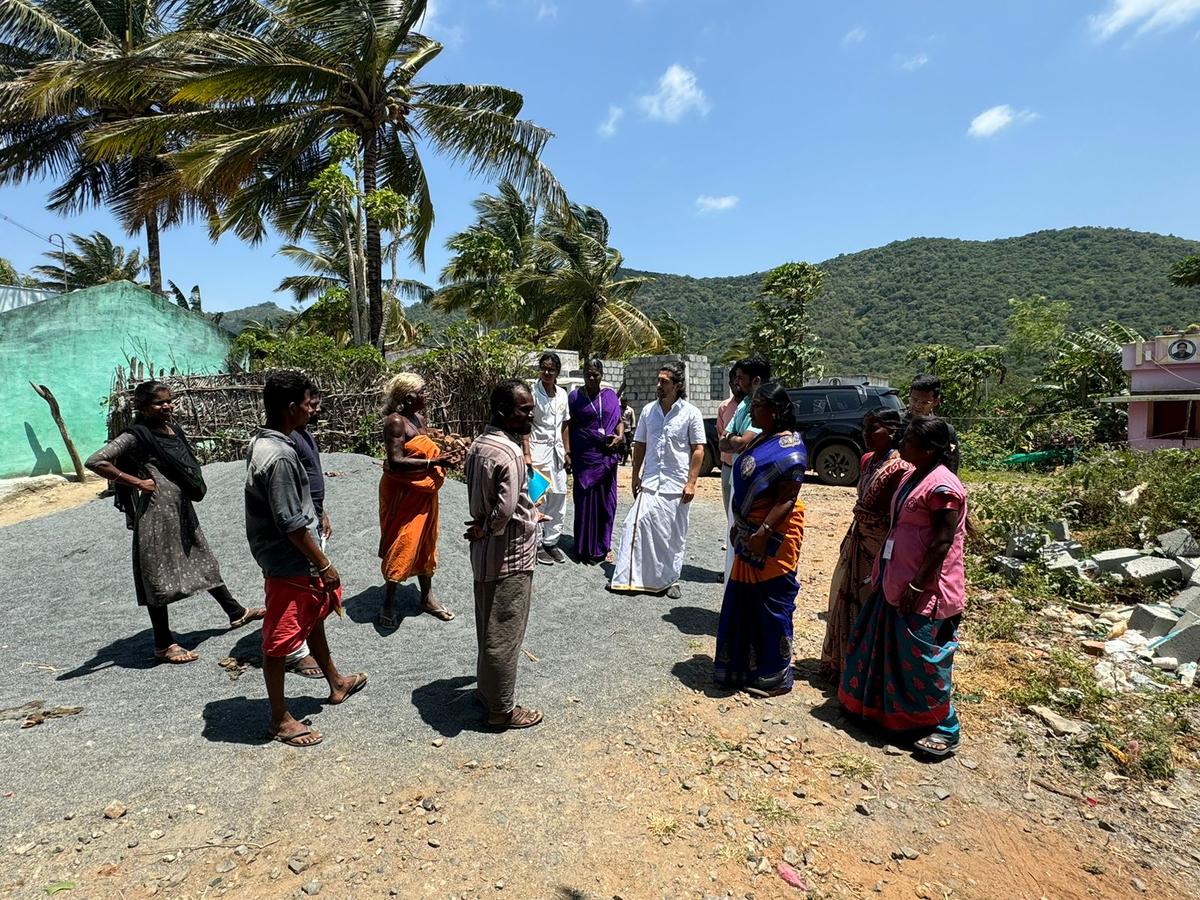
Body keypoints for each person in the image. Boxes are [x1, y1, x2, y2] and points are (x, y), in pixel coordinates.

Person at [86, 381, 263, 664]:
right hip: (157, 513)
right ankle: (163, 644)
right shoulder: (136, 436)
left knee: (201, 557)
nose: (167, 406)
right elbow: (96, 461)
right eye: (159, 403)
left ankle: (236, 612)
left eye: (170, 400)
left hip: (179, 508)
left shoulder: (170, 428)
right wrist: (138, 482)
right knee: (158, 573)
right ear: (143, 407)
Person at [245, 371, 367, 747]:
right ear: (290, 406)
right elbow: (291, 523)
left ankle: (335, 681)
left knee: (312, 617)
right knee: (280, 639)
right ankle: (280, 718)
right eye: (306, 403)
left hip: (292, 556)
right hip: (290, 559)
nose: (312, 410)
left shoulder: (267, 442)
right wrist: (324, 564)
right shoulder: (280, 456)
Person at [838, 416, 968, 758]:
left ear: (928, 449)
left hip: (925, 588)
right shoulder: (913, 475)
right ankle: (890, 717)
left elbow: (942, 542)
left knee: (922, 660)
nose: (902, 446)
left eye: (908, 442)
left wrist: (917, 584)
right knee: (883, 650)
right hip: (895, 579)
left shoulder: (944, 486)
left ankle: (945, 726)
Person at [713, 384, 807, 697]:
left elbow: (786, 500)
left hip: (771, 538)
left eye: (758, 407)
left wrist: (762, 533)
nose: (752, 413)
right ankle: (742, 667)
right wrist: (739, 525)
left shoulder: (791, 449)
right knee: (744, 601)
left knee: (771, 604)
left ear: (776, 411)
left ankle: (775, 673)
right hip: (748, 533)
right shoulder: (763, 438)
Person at [464, 379, 542, 729]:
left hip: (484, 555)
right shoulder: (509, 453)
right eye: (524, 409)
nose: (531, 414)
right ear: (501, 412)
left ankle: (487, 691)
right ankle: (501, 710)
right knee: (505, 634)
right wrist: (487, 527)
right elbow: (505, 509)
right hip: (509, 555)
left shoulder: (479, 446)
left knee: (488, 626)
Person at [821, 409, 910, 677]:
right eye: (865, 428)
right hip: (859, 537)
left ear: (892, 432)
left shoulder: (900, 468)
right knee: (845, 598)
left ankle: (866, 671)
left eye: (874, 429)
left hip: (880, 545)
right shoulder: (868, 460)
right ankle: (843, 662)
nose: (866, 434)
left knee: (869, 602)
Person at [609, 361, 705, 600]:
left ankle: (670, 580)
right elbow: (639, 444)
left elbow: (698, 450)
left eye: (664, 381)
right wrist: (634, 475)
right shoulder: (649, 411)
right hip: (651, 481)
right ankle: (629, 578)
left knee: (672, 534)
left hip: (676, 484)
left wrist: (691, 482)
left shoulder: (691, 413)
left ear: (677, 385)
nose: (658, 385)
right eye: (658, 380)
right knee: (633, 524)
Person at [377, 373, 456, 628]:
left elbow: (423, 448)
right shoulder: (396, 422)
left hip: (423, 492)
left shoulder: (419, 419)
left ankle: (427, 597)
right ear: (409, 397)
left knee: (425, 541)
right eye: (423, 392)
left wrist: (441, 457)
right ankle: (389, 602)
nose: (427, 395)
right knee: (404, 541)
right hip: (403, 493)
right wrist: (435, 462)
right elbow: (396, 461)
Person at [285, 388, 332, 679]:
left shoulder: (303, 433)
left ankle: (304, 640)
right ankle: (294, 651)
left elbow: (311, 477)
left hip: (311, 514)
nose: (315, 410)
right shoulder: (287, 441)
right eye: (311, 405)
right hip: (300, 521)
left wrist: (321, 510)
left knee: (311, 588)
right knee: (300, 585)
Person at [567, 358, 624, 564]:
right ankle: (583, 547)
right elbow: (568, 426)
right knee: (584, 502)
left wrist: (619, 436)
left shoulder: (609, 396)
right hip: (585, 457)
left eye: (595, 374)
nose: (591, 378)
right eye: (588, 374)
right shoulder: (574, 397)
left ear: (602, 375)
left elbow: (618, 422)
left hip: (607, 456)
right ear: (583, 374)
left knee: (607, 503)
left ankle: (604, 546)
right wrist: (568, 452)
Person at [719, 356, 771, 576]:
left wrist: (736, 439)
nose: (737, 382)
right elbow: (724, 441)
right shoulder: (743, 405)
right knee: (735, 529)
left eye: (741, 378)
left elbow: (743, 442)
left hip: (754, 483)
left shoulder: (764, 407)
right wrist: (736, 439)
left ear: (756, 380)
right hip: (735, 477)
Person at [524, 352, 571, 565]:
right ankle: (537, 544)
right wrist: (526, 452)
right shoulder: (531, 393)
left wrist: (567, 451)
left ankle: (552, 542)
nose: (547, 372)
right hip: (537, 452)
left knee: (559, 497)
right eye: (544, 368)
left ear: (557, 372)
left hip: (557, 454)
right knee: (538, 497)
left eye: (551, 369)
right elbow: (525, 424)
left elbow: (565, 424)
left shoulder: (562, 394)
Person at [906, 374, 960, 473]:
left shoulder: (945, 430)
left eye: (924, 403)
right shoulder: (896, 424)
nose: (917, 406)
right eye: (914, 400)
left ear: (936, 401)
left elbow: (952, 462)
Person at [714, 366, 743, 519]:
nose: (737, 385)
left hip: (745, 466)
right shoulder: (724, 407)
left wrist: (732, 441)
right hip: (728, 465)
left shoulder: (751, 407)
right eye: (734, 382)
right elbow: (721, 435)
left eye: (740, 381)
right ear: (730, 384)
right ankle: (730, 538)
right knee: (728, 504)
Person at [619, 396, 636, 465]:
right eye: (622, 402)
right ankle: (623, 460)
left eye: (624, 402)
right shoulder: (618, 408)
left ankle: (629, 461)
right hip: (620, 431)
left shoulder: (630, 410)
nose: (623, 404)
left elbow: (633, 420)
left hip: (627, 430)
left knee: (627, 446)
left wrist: (632, 430)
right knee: (623, 445)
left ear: (626, 402)